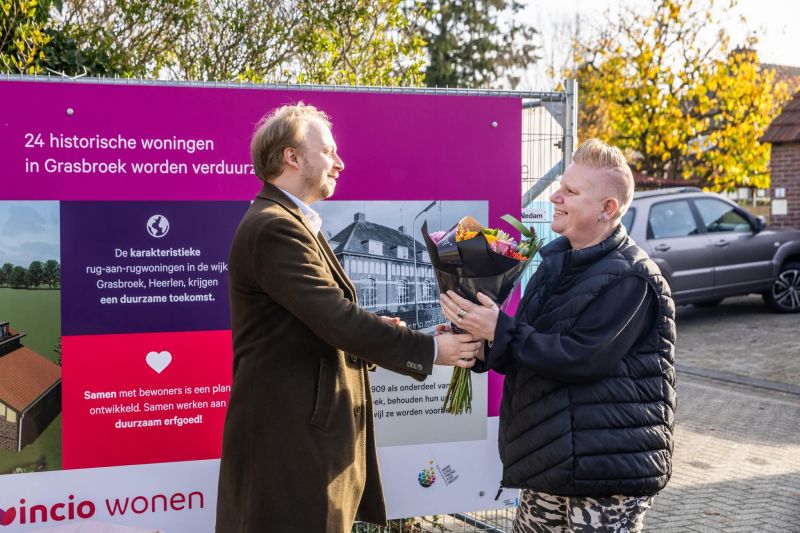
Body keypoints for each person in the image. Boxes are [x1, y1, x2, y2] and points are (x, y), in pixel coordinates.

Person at [215, 103, 481, 533]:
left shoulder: (291, 222)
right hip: (290, 443)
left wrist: (395, 332)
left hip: (299, 439)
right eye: (328, 151)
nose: (339, 162)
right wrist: (431, 349)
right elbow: (337, 319)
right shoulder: (274, 227)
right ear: (292, 157)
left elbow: (315, 322)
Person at [440, 139, 676, 532]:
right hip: (551, 460)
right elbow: (529, 347)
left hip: (605, 473)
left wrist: (500, 329)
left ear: (607, 209)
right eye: (559, 187)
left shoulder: (633, 278)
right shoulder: (554, 266)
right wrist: (478, 342)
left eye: (571, 191)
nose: (555, 196)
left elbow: (581, 357)